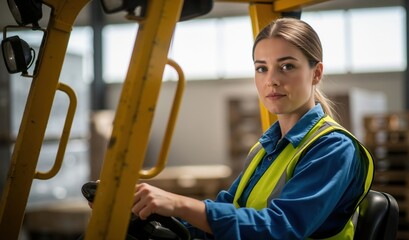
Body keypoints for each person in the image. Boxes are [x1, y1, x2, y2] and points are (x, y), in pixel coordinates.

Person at [131, 17, 374, 239]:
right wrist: (154, 213)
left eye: (287, 66)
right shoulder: (265, 148)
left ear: (316, 73)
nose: (271, 80)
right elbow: (229, 213)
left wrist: (178, 204)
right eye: (262, 68)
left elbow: (280, 227)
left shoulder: (333, 148)